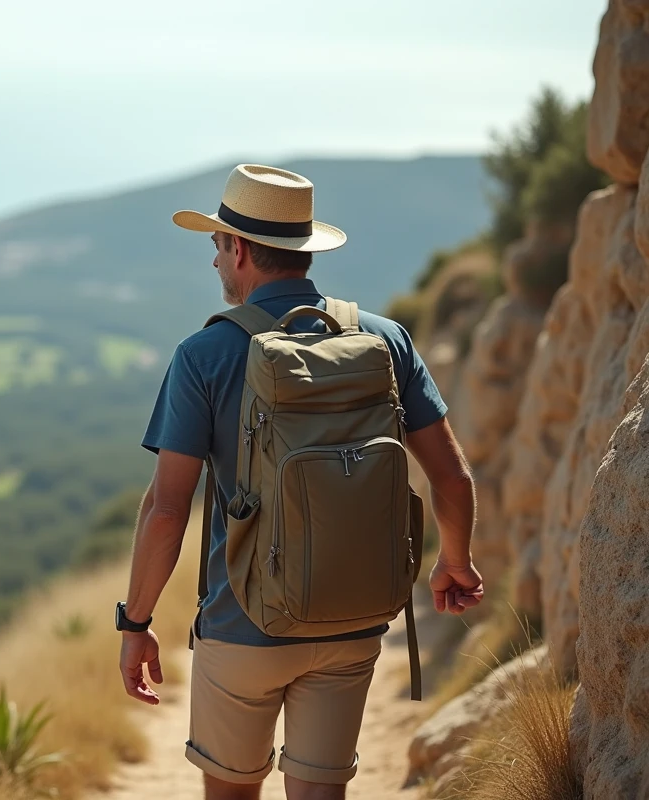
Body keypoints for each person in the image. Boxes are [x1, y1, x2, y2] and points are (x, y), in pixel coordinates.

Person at [114, 164, 484, 800]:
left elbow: (167, 510)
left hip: (244, 625)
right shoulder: (384, 339)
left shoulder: (204, 356)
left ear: (239, 249)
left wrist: (136, 622)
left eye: (216, 246)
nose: (214, 263)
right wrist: (455, 561)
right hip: (353, 619)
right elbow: (450, 473)